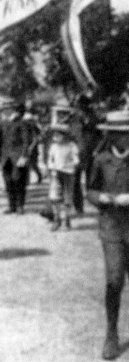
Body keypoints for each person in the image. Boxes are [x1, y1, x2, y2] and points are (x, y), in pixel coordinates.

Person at [87, 110, 129, 360]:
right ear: (110, 135)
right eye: (118, 134)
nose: (123, 139)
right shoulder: (101, 160)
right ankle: (111, 334)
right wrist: (100, 197)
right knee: (114, 281)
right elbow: (90, 190)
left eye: (126, 134)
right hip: (111, 228)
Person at [0, 102, 32, 215]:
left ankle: (20, 206)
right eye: (3, 109)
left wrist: (24, 155)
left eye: (6, 108)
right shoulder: (3, 123)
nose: (4, 111)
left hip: (17, 157)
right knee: (8, 182)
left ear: (11, 109)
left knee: (18, 181)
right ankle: (11, 205)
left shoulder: (21, 122)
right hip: (5, 157)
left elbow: (26, 140)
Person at [47, 122, 79, 231]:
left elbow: (76, 160)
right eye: (54, 135)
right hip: (56, 173)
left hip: (68, 174)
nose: (55, 137)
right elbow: (50, 160)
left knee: (67, 198)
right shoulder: (53, 146)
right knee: (54, 196)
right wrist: (52, 167)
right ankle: (57, 219)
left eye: (58, 135)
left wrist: (70, 164)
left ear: (64, 136)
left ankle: (66, 220)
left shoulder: (71, 146)